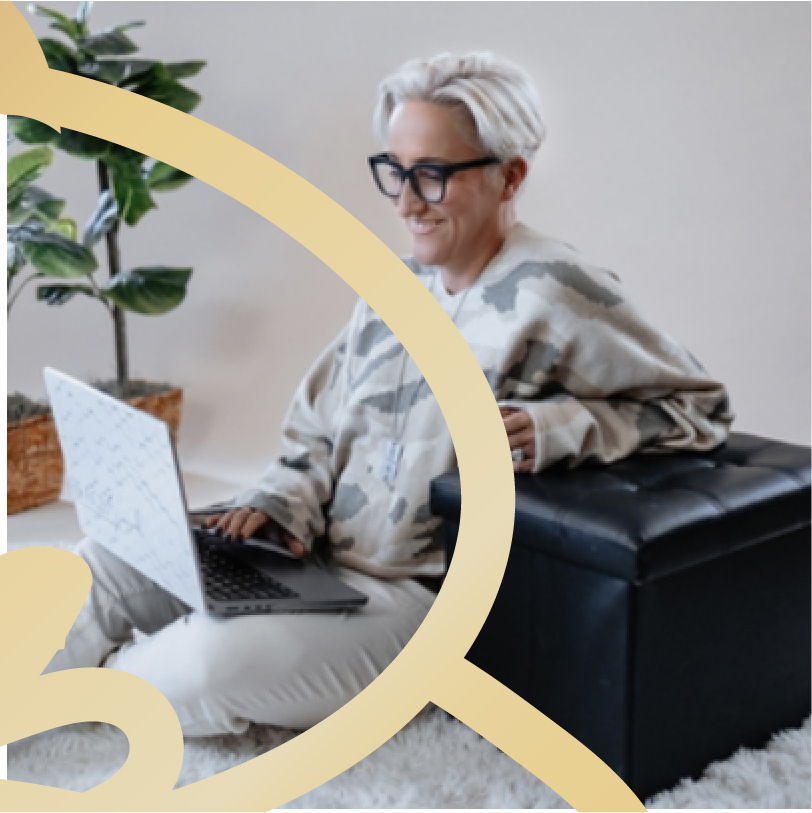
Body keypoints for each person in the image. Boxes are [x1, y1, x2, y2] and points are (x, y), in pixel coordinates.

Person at [44, 52, 734, 736]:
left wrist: (558, 426)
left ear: (510, 175)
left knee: (203, 668)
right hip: (308, 559)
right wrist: (279, 503)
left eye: (432, 175)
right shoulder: (393, 288)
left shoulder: (558, 290)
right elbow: (315, 428)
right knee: (98, 562)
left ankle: (105, 687)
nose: (406, 201)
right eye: (396, 172)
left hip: (413, 599)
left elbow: (697, 406)